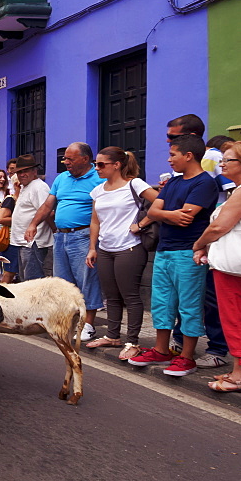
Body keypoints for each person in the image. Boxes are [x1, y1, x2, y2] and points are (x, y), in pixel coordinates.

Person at [129, 135, 217, 376]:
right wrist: (169, 215)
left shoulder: (205, 183)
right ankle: (161, 349)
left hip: (188, 252)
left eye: (173, 155)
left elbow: (187, 214)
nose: (169, 160)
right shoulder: (175, 183)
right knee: (162, 303)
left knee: (189, 305)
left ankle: (187, 357)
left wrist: (162, 213)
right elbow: (156, 210)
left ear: (189, 156)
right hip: (164, 250)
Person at [166, 115, 230, 369]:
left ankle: (217, 348)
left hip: (211, 235)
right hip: (194, 236)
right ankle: (181, 341)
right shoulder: (181, 164)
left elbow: (229, 191)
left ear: (192, 138)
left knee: (209, 296)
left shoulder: (212, 156)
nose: (168, 141)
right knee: (187, 294)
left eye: (172, 136)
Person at [84, 148, 159, 359]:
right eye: (95, 164)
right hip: (105, 248)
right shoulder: (98, 190)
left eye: (101, 164)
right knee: (111, 296)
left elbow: (161, 202)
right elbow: (95, 221)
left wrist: (142, 223)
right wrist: (92, 248)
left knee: (131, 296)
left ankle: (132, 341)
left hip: (130, 247)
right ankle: (113, 336)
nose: (96, 168)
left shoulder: (134, 184)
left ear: (116, 165)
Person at [26, 143, 105, 341]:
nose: (65, 162)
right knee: (62, 282)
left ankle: (88, 324)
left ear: (85, 159)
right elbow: (48, 205)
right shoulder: (62, 178)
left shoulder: (99, 178)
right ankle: (68, 321)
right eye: (65, 159)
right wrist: (33, 223)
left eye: (70, 159)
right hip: (61, 236)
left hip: (84, 235)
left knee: (87, 279)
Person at [193, 140, 241, 392]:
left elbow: (218, 227)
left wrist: (199, 244)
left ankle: (239, 375)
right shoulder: (237, 191)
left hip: (233, 268)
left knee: (235, 319)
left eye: (228, 160)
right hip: (233, 265)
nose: (222, 163)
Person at [7, 155, 52, 282]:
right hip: (24, 242)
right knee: (25, 280)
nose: (22, 174)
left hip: (34, 241)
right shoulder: (25, 187)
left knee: (33, 281)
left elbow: (47, 211)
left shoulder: (39, 187)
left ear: (34, 171)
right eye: (19, 172)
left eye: (25, 171)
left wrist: (53, 230)